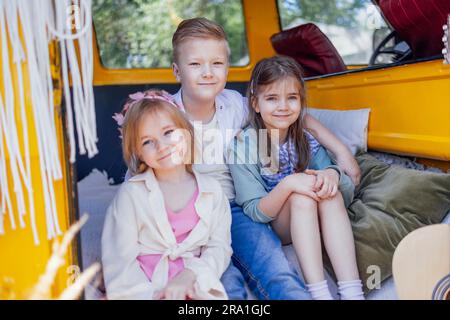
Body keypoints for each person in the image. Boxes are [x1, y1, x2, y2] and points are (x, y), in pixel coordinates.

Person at [228, 56, 364, 300]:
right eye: (272, 98)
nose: (283, 106)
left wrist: (330, 174)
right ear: (256, 104)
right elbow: (255, 211)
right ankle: (319, 293)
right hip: (276, 223)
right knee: (302, 198)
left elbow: (345, 187)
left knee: (328, 194)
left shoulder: (305, 138)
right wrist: (289, 185)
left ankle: (352, 292)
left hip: (313, 214)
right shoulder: (244, 145)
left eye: (292, 98)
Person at [102, 90, 232, 300]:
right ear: (138, 152)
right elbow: (119, 260)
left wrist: (191, 275)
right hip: (144, 287)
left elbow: (219, 247)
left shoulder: (213, 191)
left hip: (194, 283)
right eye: (147, 142)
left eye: (168, 132)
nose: (162, 146)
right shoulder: (131, 194)